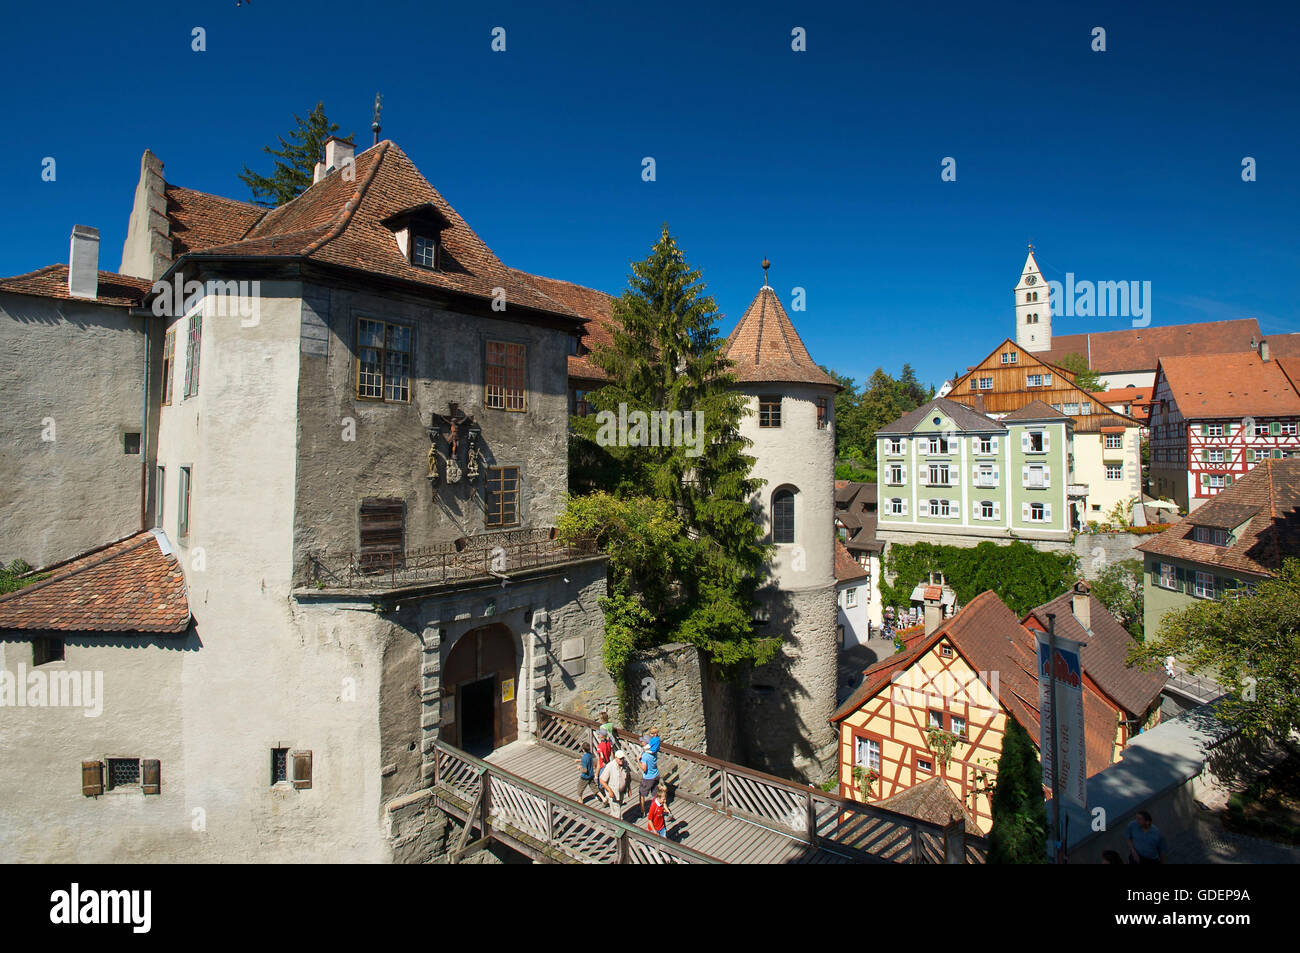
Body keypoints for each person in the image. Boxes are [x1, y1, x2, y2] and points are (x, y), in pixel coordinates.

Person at [599, 750, 630, 820]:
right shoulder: (610, 766)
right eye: (620, 758)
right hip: (613, 793)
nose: (621, 760)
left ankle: (612, 820)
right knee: (617, 813)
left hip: (621, 792)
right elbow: (602, 780)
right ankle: (618, 828)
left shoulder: (625, 764)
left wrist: (629, 788)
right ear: (616, 758)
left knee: (617, 808)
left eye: (622, 758)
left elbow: (628, 776)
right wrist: (609, 791)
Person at [639, 727, 662, 819]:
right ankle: (657, 809)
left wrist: (638, 761)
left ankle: (643, 811)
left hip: (648, 777)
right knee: (655, 794)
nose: (641, 743)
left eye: (642, 742)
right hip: (656, 775)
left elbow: (644, 768)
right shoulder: (654, 753)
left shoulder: (645, 755)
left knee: (642, 793)